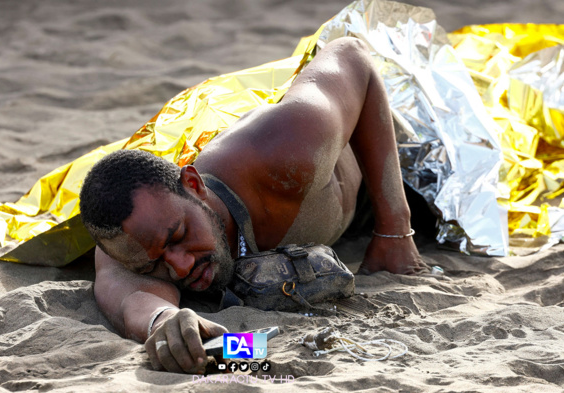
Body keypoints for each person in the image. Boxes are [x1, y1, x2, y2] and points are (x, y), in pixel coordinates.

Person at [79, 37, 427, 374]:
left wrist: (395, 231)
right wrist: (166, 321)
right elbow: (132, 302)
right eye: (151, 265)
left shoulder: (284, 148)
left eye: (180, 235)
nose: (181, 268)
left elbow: (353, 56)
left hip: (390, 151)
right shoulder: (129, 244)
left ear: (194, 185)